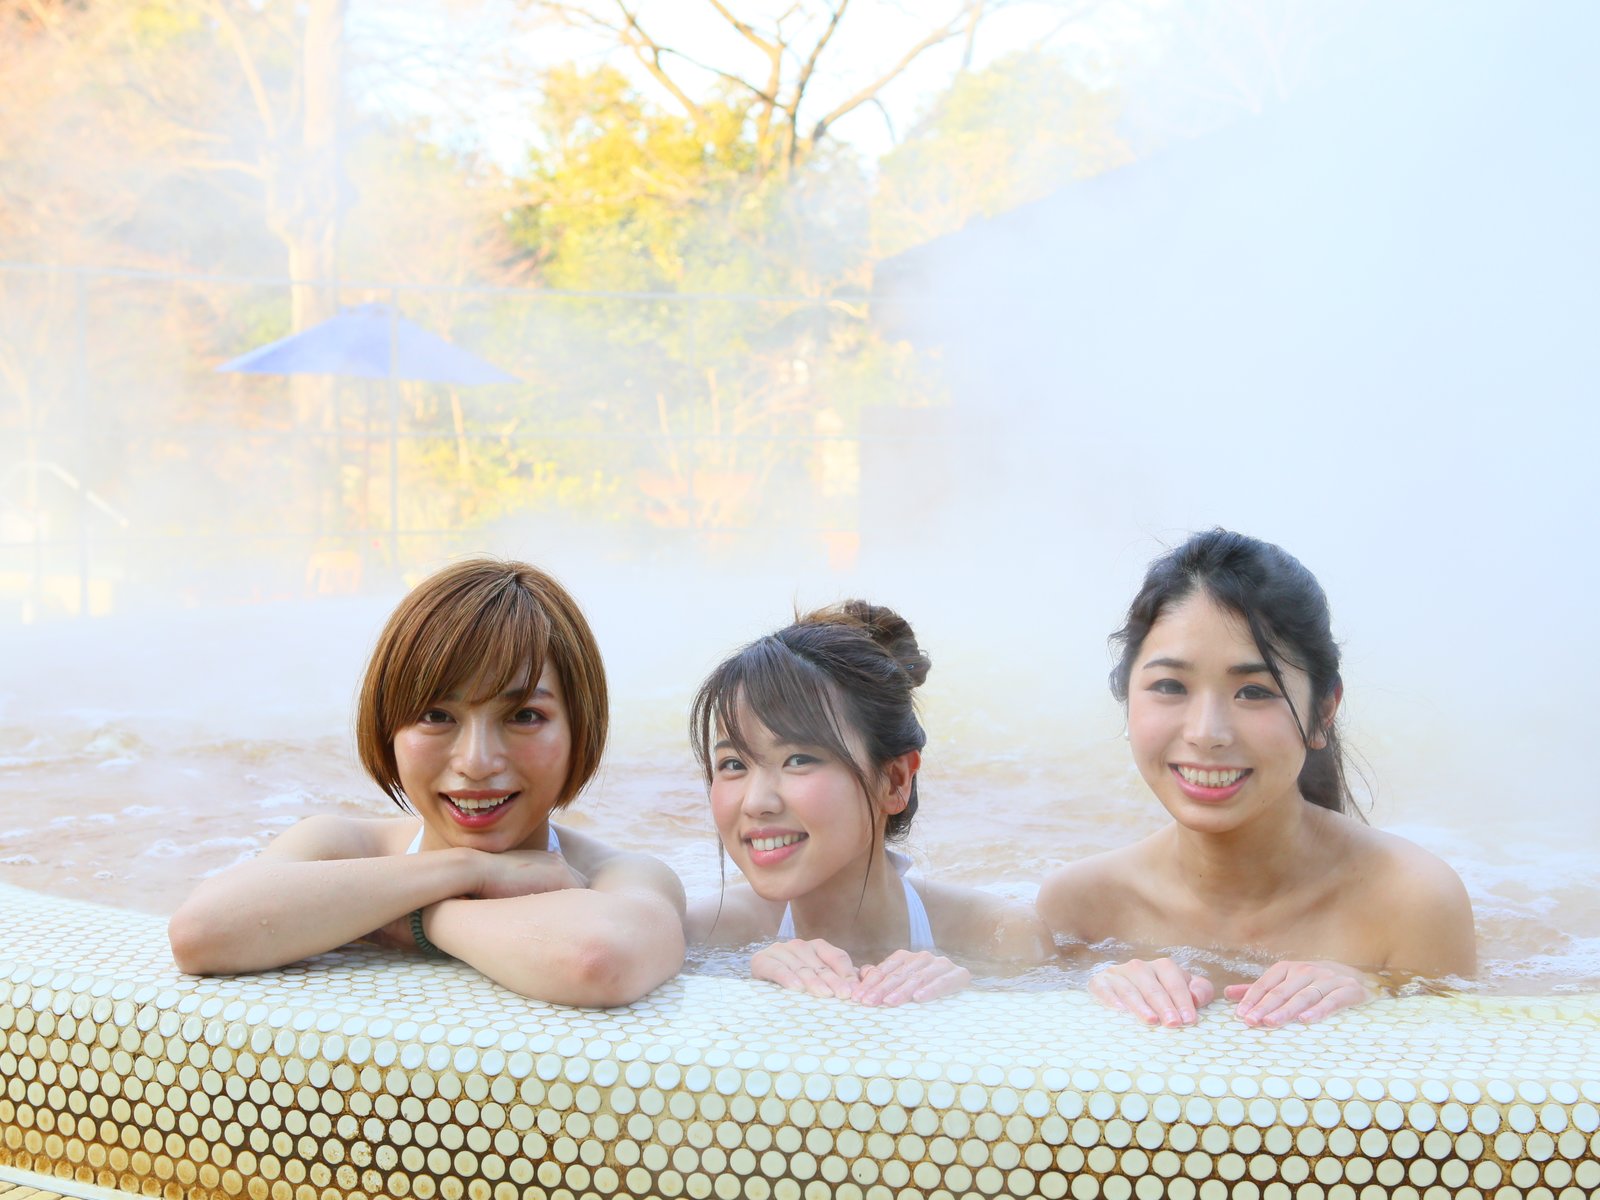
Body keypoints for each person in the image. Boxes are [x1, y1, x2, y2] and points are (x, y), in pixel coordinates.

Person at [168, 558, 685, 1007]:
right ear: (387, 727)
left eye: (525, 715)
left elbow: (596, 960)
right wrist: (470, 870)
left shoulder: (618, 874)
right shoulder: (342, 843)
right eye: (437, 715)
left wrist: (407, 921)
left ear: (580, 729)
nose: (478, 761)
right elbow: (200, 933)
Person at [1037, 530, 1475, 1027]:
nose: (1207, 733)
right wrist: (1094, 991)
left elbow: (1454, 1088)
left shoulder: (1411, 902)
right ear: (1126, 696)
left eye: (1253, 691)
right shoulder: (1082, 908)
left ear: (1323, 711)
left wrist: (1381, 993)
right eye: (1169, 686)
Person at [687, 601, 1050, 1005]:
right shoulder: (707, 935)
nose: (756, 803)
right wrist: (747, 981)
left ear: (894, 781)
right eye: (733, 764)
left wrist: (972, 998)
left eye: (799, 759)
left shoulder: (1000, 938)